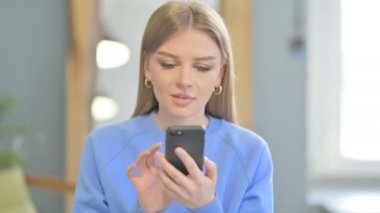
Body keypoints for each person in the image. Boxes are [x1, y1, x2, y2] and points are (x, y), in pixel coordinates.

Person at [72, 1, 273, 212]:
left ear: (220, 75)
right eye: (168, 64)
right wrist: (145, 209)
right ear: (146, 67)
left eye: (203, 67)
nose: (185, 80)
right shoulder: (102, 147)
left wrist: (205, 206)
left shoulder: (252, 153)